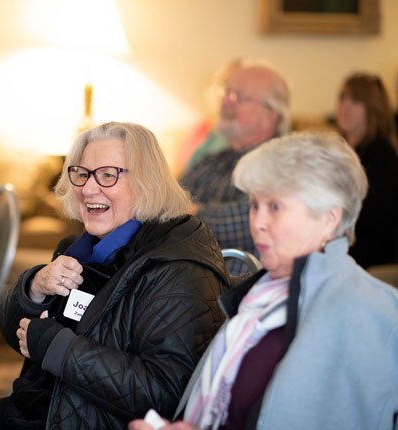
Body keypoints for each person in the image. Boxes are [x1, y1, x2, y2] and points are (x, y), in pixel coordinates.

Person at [0, 122, 229, 430]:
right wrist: (34, 288)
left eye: (108, 175)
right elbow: (19, 336)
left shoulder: (178, 270)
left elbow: (165, 395)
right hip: (48, 406)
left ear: (148, 182)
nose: (88, 189)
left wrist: (57, 345)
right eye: (82, 173)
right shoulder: (79, 249)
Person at [130, 132, 398, 430]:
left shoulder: (366, 313)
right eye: (255, 205)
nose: (256, 222)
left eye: (275, 207)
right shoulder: (262, 291)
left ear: (329, 218)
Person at [178, 61, 290, 273]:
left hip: (234, 290)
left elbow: (241, 224)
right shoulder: (214, 159)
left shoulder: (282, 166)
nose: (226, 103)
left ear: (270, 115)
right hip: (188, 278)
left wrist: (187, 212)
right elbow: (169, 197)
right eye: (226, 93)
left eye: (238, 96)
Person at [336, 72, 398, 268]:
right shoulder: (340, 150)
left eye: (355, 100)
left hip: (367, 257)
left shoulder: (382, 155)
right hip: (341, 247)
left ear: (372, 109)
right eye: (342, 98)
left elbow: (372, 222)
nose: (344, 106)